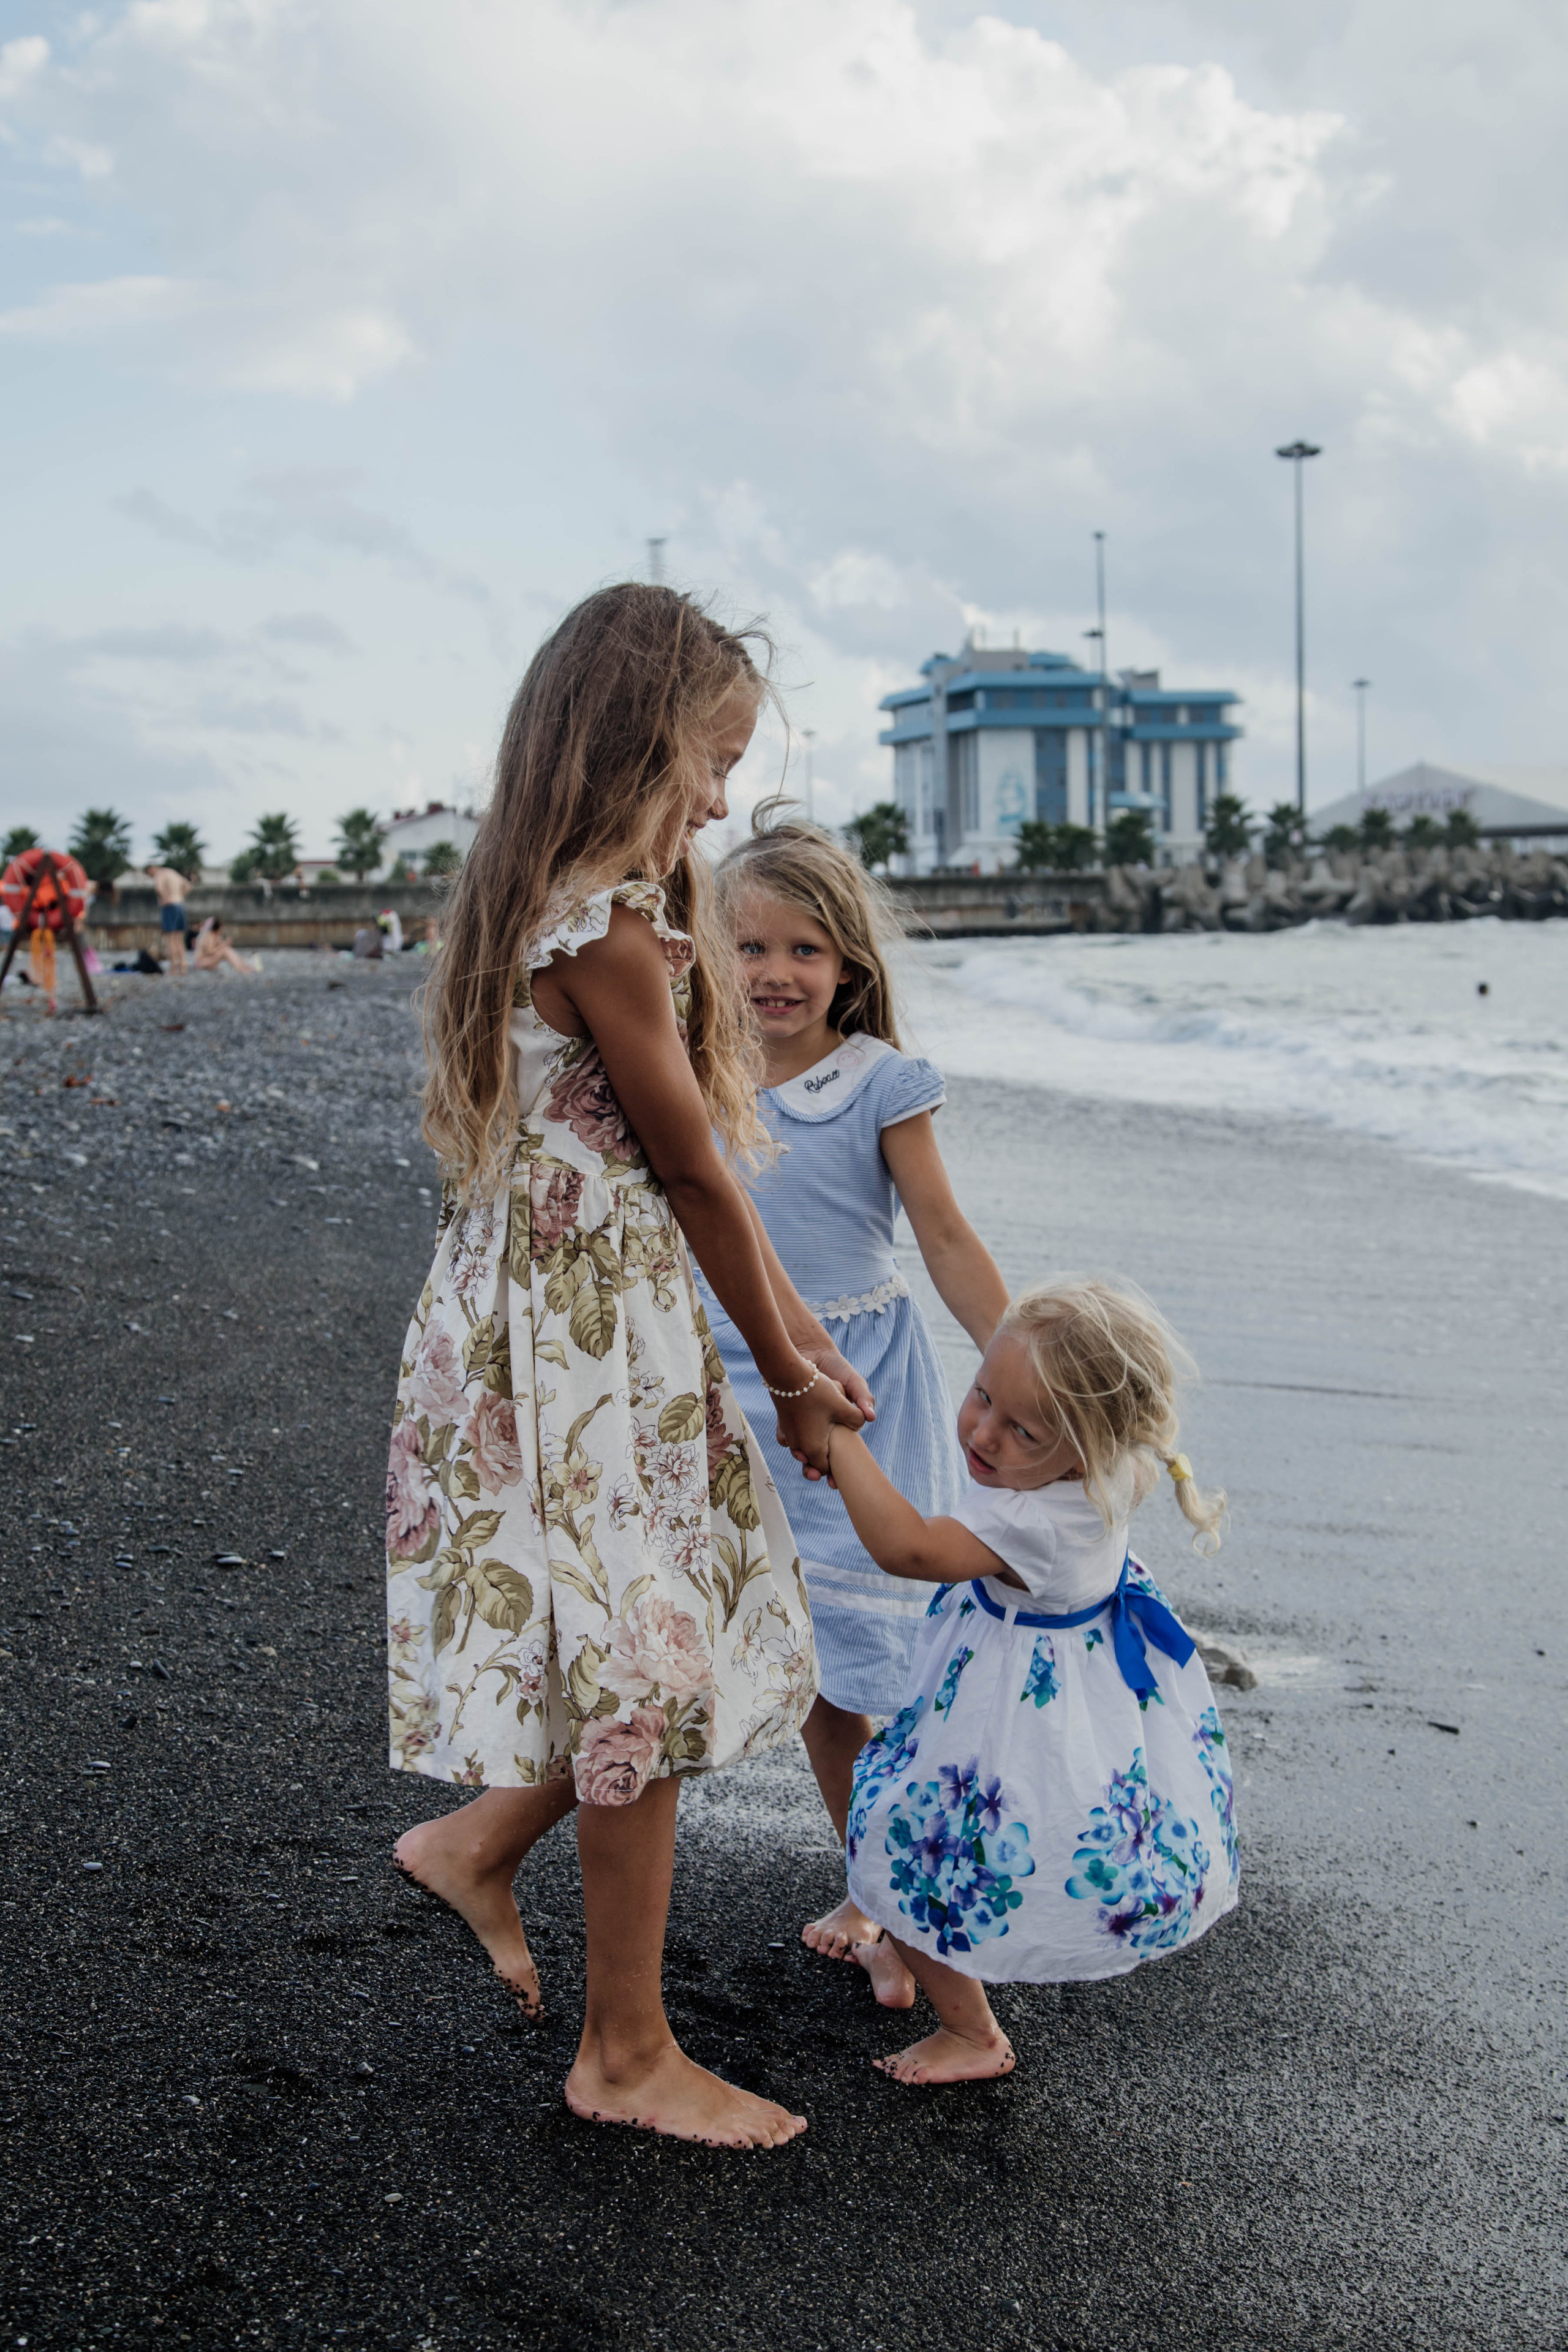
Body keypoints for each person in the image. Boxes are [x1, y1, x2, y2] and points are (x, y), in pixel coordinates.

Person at [386, 582, 870, 2150]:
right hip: (574, 1342)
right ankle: (623, 2049)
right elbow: (696, 1174)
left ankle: (478, 1854)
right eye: (708, 760)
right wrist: (794, 1378)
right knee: (642, 1662)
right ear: (628, 741)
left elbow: (706, 1174)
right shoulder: (599, 927)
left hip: (584, 1323)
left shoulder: (573, 906)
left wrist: (798, 1340)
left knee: (632, 1649)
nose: (722, 799)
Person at [707, 818, 1008, 1996]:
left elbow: (941, 1233)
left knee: (860, 1674)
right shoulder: (694, 1073)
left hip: (849, 1394)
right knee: (743, 1653)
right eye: (748, 947)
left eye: (805, 951)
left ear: (849, 966)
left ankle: (892, 1899)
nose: (774, 974)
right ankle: (878, 1880)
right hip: (719, 1385)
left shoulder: (881, 1081)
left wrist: (1020, 1365)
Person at [822, 1276, 1239, 2086]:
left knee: (907, 1847)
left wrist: (840, 1442)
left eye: (1023, 1429)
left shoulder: (1029, 1520)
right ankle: (907, 1961)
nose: (984, 1432)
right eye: (981, 1394)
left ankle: (972, 2031)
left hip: (1010, 1705)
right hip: (1081, 1674)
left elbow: (906, 1549)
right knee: (917, 1843)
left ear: (1083, 1447)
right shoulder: (1120, 1468)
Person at [145, 862, 190, 976]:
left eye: (149, 874)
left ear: (152, 869)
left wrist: (165, 899)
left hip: (169, 906)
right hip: (180, 905)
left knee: (170, 938)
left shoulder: (159, 874)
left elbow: (159, 888)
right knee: (179, 938)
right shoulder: (172, 872)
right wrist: (180, 896)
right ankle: (183, 964)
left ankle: (174, 966)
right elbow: (187, 885)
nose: (151, 876)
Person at [192, 916, 260, 976]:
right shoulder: (209, 936)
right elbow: (210, 951)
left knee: (226, 949)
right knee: (224, 950)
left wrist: (222, 944)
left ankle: (243, 966)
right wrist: (223, 944)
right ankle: (242, 969)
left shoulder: (213, 936)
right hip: (202, 962)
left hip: (206, 961)